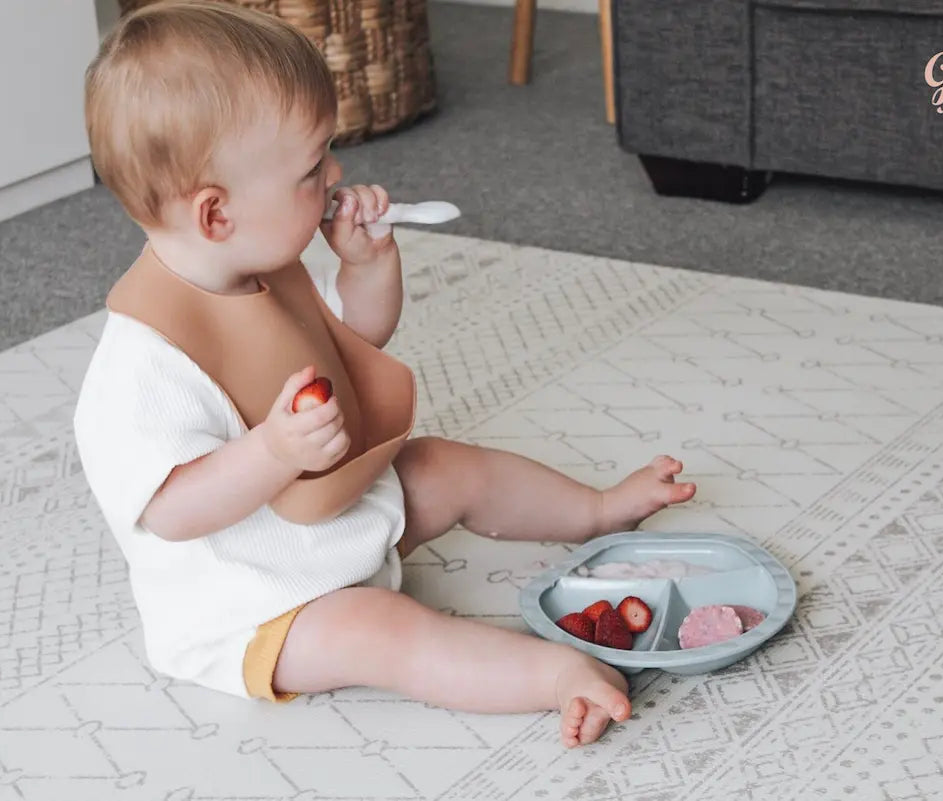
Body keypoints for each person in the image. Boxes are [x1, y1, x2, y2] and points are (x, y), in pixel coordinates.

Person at [73, 0, 697, 748]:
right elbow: (170, 510)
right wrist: (272, 452)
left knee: (443, 465)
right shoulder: (143, 361)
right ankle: (556, 676)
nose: (336, 173)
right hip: (257, 608)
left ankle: (595, 511)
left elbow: (353, 340)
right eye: (312, 169)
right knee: (383, 629)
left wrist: (367, 266)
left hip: (335, 523)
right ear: (215, 215)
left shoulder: (259, 264)